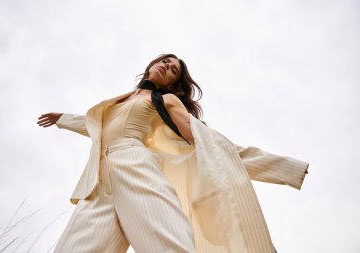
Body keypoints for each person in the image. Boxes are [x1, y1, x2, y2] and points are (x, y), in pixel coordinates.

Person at [37, 54, 309, 253]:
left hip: (136, 169)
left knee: (169, 246)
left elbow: (209, 144)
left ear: (172, 84)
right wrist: (62, 118)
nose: (167, 65)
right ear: (150, 65)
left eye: (174, 69)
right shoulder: (118, 101)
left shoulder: (165, 100)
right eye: (164, 61)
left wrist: (285, 167)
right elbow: (97, 127)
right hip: (98, 183)